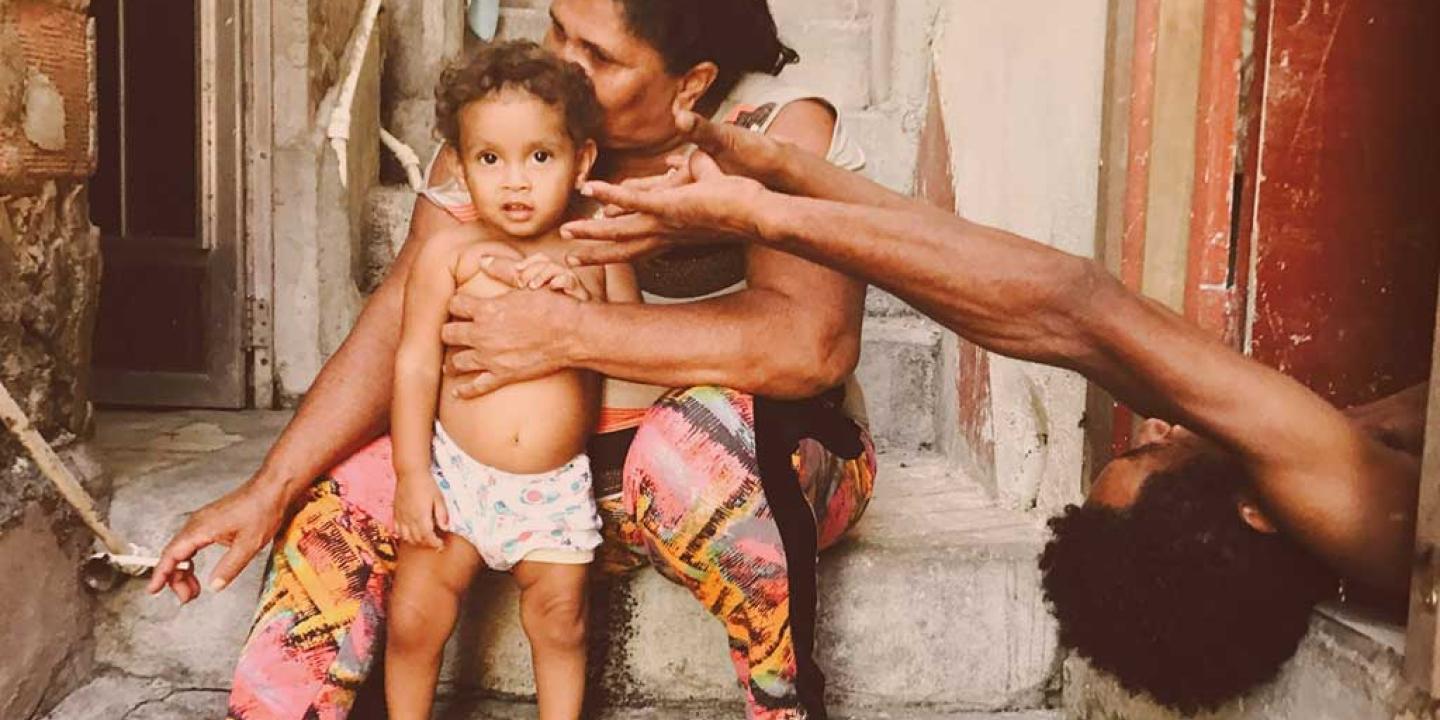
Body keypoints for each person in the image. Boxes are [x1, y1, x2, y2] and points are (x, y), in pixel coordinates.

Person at [557, 109, 1426, 713]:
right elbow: (1071, 315)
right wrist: (774, 193)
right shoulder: (1352, 493)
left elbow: (1074, 314)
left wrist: (774, 197)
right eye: (1151, 453)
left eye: (1148, 448)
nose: (1157, 425)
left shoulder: (1345, 492)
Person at [149, 3, 876, 719]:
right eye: (558, 26)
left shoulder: (776, 133)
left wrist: (568, 330)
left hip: (747, 475)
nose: (561, 61)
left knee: (689, 449)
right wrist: (271, 488)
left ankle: (784, 707)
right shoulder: (502, 132)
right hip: (524, 483)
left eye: (600, 54)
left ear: (691, 84)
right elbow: (400, 327)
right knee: (336, 501)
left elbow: (809, 345)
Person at [384, 41, 635, 720]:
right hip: (457, 474)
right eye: (490, 159)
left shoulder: (595, 253)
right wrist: (412, 475)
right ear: (461, 168)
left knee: (561, 621)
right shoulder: (448, 254)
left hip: (553, 486)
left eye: (540, 157)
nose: (515, 182)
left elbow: (636, 357)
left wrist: (580, 304)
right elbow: (413, 363)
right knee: (415, 618)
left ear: (581, 161)